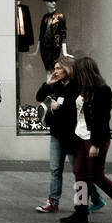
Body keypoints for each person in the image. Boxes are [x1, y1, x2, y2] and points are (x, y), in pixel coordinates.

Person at [59, 56, 112, 223]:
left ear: (84, 72)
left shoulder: (102, 90)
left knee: (97, 176)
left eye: (77, 71)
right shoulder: (80, 88)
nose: (75, 74)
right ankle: (80, 212)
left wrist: (96, 144)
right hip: (79, 137)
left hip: (94, 139)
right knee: (79, 174)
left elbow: (102, 119)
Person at [34, 56, 80, 213]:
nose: (56, 71)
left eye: (59, 68)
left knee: (78, 171)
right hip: (57, 133)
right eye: (55, 68)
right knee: (55, 169)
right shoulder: (57, 85)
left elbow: (76, 110)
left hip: (73, 135)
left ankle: (92, 198)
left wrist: (58, 107)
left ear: (68, 69)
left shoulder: (77, 86)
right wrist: (48, 83)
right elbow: (39, 97)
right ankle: (53, 201)